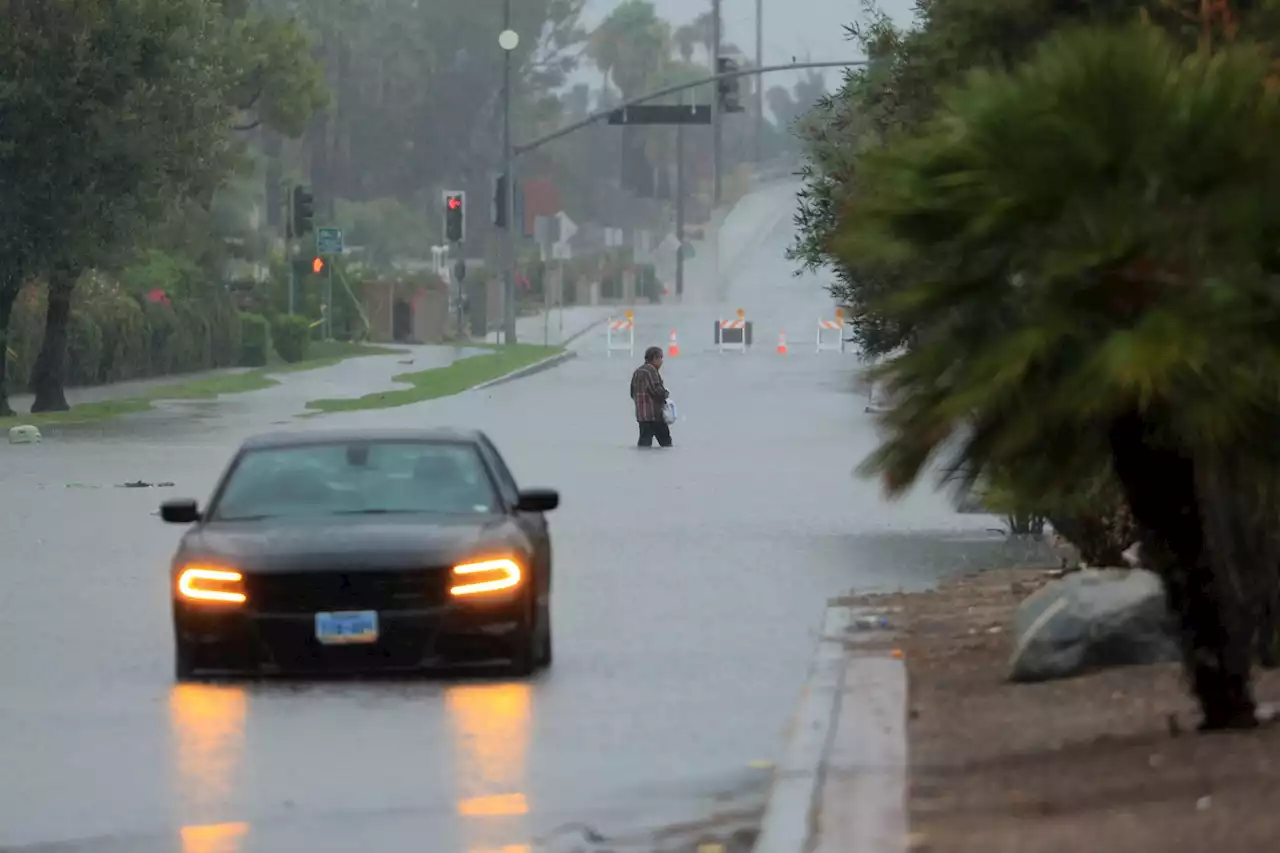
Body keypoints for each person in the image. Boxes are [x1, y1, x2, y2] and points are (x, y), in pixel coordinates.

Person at [630, 345, 672, 448]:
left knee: (644, 443)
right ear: (654, 358)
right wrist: (665, 394)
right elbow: (656, 390)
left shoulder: (637, 372)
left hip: (641, 415)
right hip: (654, 415)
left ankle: (642, 463)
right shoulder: (651, 371)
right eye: (660, 358)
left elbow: (632, 392)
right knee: (666, 442)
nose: (662, 361)